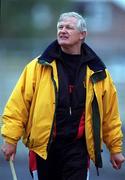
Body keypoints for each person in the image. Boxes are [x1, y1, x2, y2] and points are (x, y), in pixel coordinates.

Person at [1, 12, 125, 180]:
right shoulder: (37, 67)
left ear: (82, 35)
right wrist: (10, 139)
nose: (63, 30)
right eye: (60, 27)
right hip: (44, 151)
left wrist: (115, 149)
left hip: (78, 152)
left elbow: (110, 115)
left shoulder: (99, 73)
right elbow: (18, 105)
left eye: (69, 27)